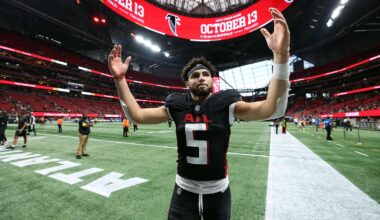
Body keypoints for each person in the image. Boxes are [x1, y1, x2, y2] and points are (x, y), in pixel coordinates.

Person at [108, 7, 290, 220]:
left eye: (206, 74)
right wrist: (120, 80)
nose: (202, 77)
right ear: (187, 83)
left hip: (218, 193)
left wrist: (281, 56)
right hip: (183, 192)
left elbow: (274, 108)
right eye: (196, 75)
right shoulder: (176, 103)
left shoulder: (226, 102)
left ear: (213, 80)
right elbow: (136, 116)